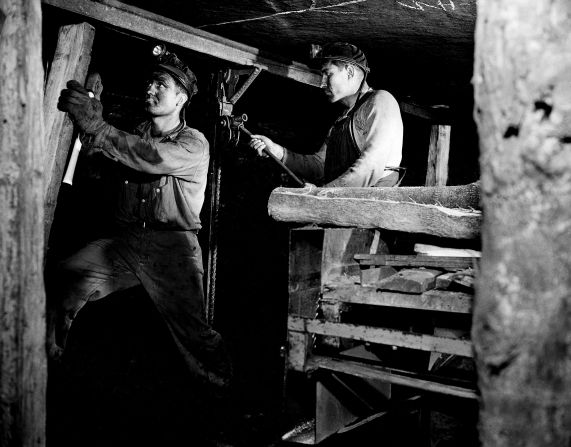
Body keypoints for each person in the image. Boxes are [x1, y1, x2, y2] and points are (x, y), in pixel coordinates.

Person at [49, 48, 231, 394]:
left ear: (181, 98)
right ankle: (49, 364)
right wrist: (89, 121)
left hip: (173, 249)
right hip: (127, 242)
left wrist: (98, 126)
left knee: (195, 335)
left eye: (160, 84)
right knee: (64, 279)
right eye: (149, 82)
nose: (150, 88)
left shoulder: (193, 143)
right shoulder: (137, 131)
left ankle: (221, 396)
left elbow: (150, 158)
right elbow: (100, 158)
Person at [249, 42, 403, 187]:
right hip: (345, 206)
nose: (322, 83)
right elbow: (321, 167)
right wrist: (279, 152)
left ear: (349, 72)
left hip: (373, 209)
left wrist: (322, 193)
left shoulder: (381, 101)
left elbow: (370, 167)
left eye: (328, 74)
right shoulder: (341, 121)